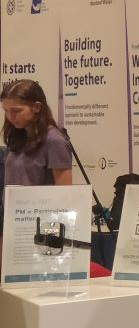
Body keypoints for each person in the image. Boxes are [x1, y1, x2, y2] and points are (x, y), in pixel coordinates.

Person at [1, 79, 73, 254]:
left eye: (17, 111)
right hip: (13, 221)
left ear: (37, 107)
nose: (11, 117)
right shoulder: (18, 138)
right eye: (6, 111)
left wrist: (50, 239)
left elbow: (64, 195)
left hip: (41, 225)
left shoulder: (54, 141)